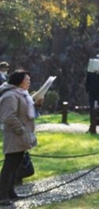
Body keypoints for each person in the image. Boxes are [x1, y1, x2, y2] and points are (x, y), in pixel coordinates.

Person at [0, 70, 38, 205]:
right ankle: (2, 196)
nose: (29, 82)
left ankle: (11, 193)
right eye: (27, 79)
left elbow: (26, 111)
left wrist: (37, 104)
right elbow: (8, 116)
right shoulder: (10, 95)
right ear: (19, 81)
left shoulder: (22, 94)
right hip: (15, 136)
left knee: (15, 166)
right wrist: (21, 129)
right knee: (9, 166)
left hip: (22, 136)